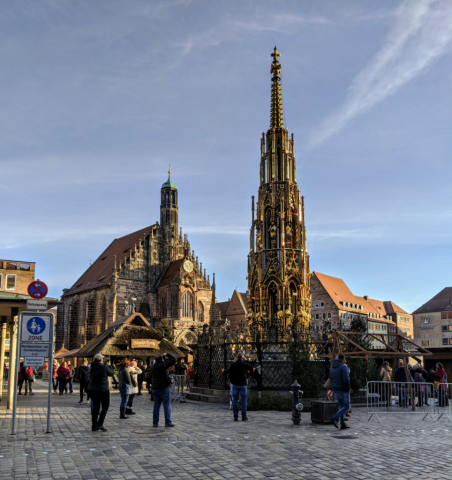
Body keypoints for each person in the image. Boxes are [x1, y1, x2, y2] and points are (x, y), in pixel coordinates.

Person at [222, 353, 255, 421]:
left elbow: (229, 372)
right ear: (241, 358)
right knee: (244, 400)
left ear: (237, 358)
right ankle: (244, 416)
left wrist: (230, 377)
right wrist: (246, 361)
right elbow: (251, 369)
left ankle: (235, 416)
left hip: (235, 383)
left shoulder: (233, 364)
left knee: (235, 401)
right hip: (243, 384)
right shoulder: (244, 364)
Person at [87, 353, 113, 432]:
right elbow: (111, 373)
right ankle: (100, 423)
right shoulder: (104, 367)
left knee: (96, 408)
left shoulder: (92, 367)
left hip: (92, 390)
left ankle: (94, 426)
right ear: (101, 359)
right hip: (102, 390)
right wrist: (109, 365)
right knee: (105, 406)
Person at [151, 352, 176, 427]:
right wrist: (167, 354)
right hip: (164, 388)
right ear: (162, 359)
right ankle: (167, 422)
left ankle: (155, 423)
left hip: (155, 388)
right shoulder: (163, 365)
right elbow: (174, 360)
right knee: (166, 406)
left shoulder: (153, 366)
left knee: (156, 406)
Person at [329, 354, 351, 429]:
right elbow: (346, 379)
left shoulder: (332, 368)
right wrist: (348, 388)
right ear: (343, 359)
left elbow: (331, 379)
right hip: (343, 389)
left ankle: (342, 423)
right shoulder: (343, 367)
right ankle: (335, 417)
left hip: (335, 389)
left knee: (341, 406)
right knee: (346, 406)